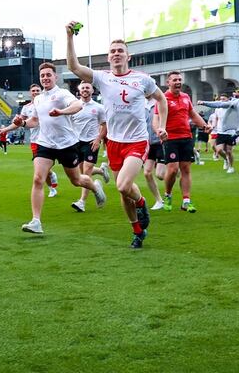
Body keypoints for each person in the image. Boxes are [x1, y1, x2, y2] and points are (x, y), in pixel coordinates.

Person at [66, 27, 168, 249]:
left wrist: (161, 126)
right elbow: (73, 66)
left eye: (120, 50)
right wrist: (70, 36)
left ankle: (141, 204)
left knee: (123, 186)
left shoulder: (143, 80)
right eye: (112, 51)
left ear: (128, 56)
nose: (116, 54)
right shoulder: (102, 78)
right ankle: (137, 230)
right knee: (124, 194)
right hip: (113, 142)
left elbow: (162, 100)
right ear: (108, 56)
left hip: (137, 141)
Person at [10, 63, 105, 233]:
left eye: (48, 75)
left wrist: (61, 112)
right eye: (42, 76)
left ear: (55, 77)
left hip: (66, 144)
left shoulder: (62, 94)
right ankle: (36, 221)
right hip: (45, 143)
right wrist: (22, 123)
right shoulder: (38, 99)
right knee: (38, 179)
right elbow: (35, 121)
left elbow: (78, 106)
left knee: (76, 180)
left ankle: (95, 186)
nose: (45, 78)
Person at [159, 71, 209, 213]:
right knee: (173, 170)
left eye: (180, 79)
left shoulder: (186, 97)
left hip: (186, 137)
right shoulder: (163, 98)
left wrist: (204, 125)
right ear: (168, 82)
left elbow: (193, 114)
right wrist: (159, 130)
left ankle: (186, 201)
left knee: (186, 169)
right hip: (170, 138)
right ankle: (168, 195)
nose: (178, 82)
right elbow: (157, 118)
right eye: (175, 80)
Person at [70, 81, 111, 211]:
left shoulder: (98, 107)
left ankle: (82, 202)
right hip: (77, 142)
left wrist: (98, 139)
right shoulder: (73, 107)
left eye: (88, 88)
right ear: (79, 90)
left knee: (86, 172)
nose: (85, 90)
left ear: (92, 90)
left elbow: (104, 125)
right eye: (83, 88)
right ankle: (101, 171)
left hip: (91, 142)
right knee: (81, 173)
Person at [210, 94, 237, 174]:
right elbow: (216, 119)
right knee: (219, 150)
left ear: (228, 100)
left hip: (230, 132)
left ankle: (231, 167)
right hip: (220, 131)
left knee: (229, 151)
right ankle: (225, 159)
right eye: (221, 99)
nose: (222, 100)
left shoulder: (232, 107)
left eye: (224, 99)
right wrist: (213, 126)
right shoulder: (218, 109)